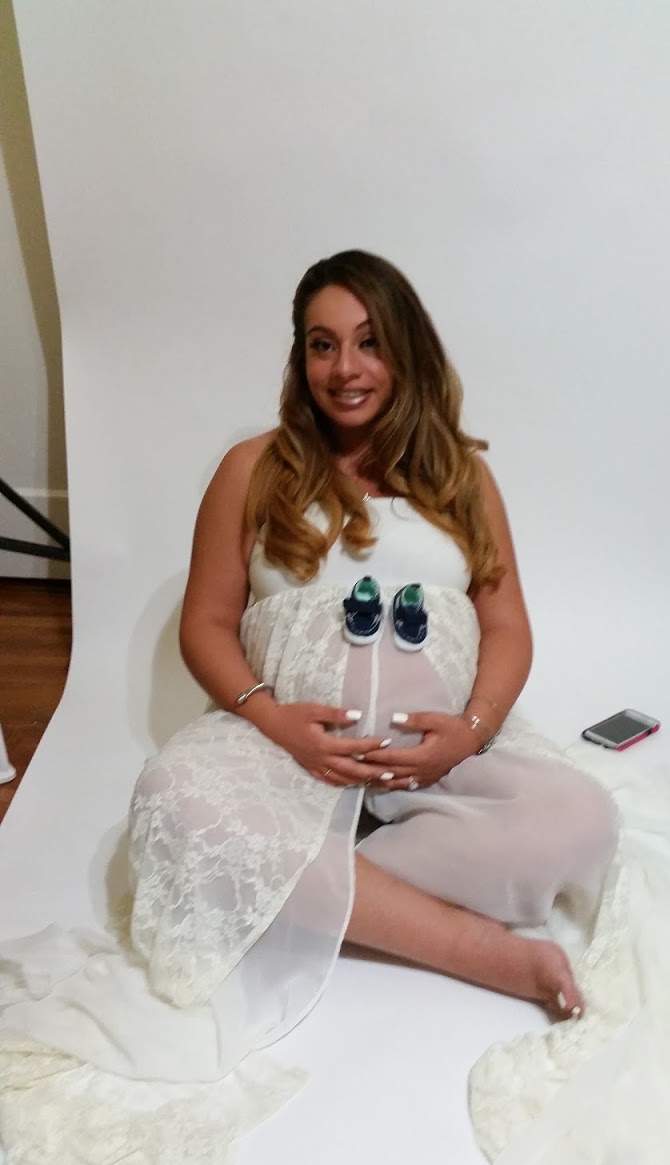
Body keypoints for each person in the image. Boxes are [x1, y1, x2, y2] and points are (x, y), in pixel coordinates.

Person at [128, 248, 617, 1031]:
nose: (345, 368)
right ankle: (469, 946)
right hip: (285, 758)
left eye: (369, 342)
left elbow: (506, 623)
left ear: (405, 351)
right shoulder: (251, 469)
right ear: (301, 358)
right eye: (323, 344)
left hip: (437, 772)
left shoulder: (459, 476)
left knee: (581, 819)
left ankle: (302, 894)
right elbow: (206, 624)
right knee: (173, 800)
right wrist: (271, 718)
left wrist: (472, 732)